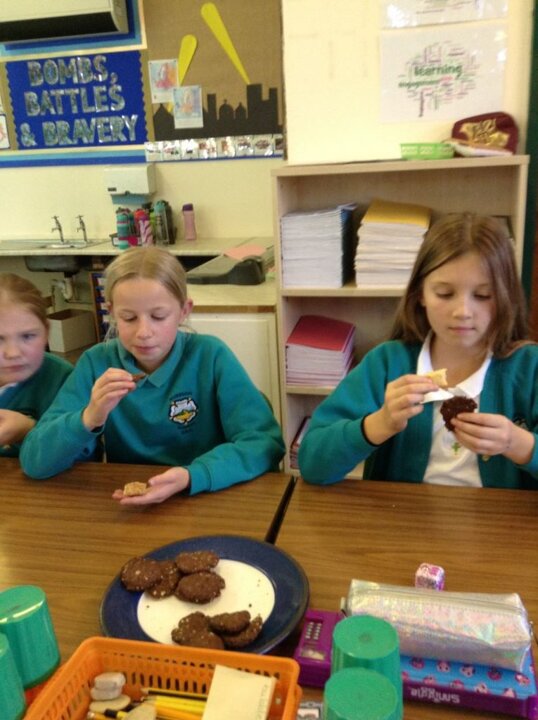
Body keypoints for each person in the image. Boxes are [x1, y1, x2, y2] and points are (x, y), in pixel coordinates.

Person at [20, 246, 285, 503]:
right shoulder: (96, 363)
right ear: (111, 313)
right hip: (129, 504)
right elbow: (34, 462)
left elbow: (264, 443)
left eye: (158, 316)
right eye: (128, 318)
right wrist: (88, 417)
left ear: (184, 311)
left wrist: (193, 475)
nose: (144, 332)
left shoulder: (211, 356)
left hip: (205, 497)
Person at [298, 213, 538, 489]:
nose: (463, 312)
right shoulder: (387, 363)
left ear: (506, 297)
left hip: (498, 516)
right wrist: (379, 424)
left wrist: (518, 443)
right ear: (420, 294)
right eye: (445, 293)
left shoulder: (529, 367)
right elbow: (312, 464)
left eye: (483, 295)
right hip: (402, 514)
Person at [0, 273, 72, 456]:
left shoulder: (63, 379)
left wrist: (28, 431)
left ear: (46, 332)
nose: (13, 353)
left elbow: (86, 454)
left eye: (27, 336)